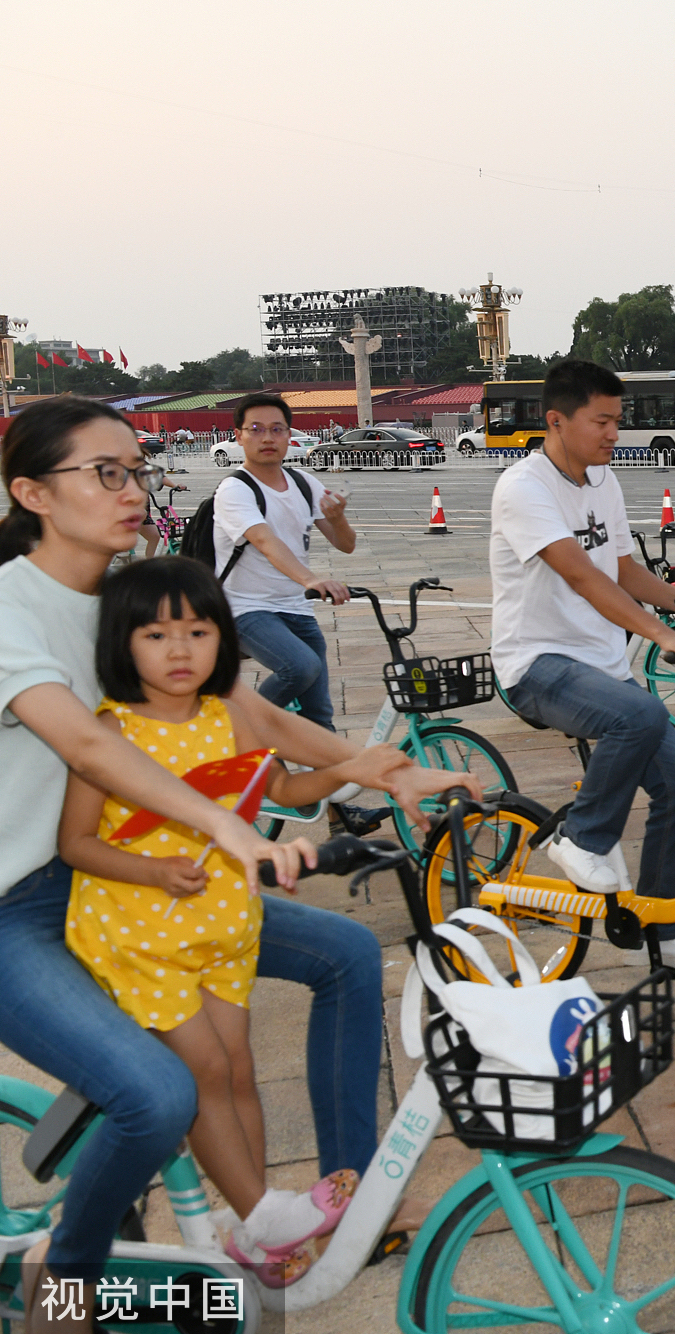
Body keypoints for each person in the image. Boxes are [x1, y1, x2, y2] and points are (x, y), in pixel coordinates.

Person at [0, 397, 459, 1327]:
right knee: (158, 1094)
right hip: (18, 902)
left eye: (139, 470)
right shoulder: (10, 604)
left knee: (343, 958)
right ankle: (65, 1273)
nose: (136, 490)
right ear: (30, 492)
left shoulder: (133, 599)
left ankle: (345, 1201)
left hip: (132, 879)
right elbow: (89, 752)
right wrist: (229, 828)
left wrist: (380, 763)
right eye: (108, 473)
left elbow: (253, 717)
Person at [58, 558, 366, 1287]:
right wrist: (155, 871)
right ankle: (264, 1215)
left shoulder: (226, 717)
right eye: (156, 633)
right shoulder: (106, 731)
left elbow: (282, 785)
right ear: (120, 643)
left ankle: (257, 1222)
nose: (179, 649)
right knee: (200, 1076)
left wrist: (362, 766)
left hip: (224, 926)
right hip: (140, 938)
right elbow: (78, 843)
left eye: (198, 631)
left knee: (238, 1071)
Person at [489, 359, 675, 970]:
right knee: (640, 715)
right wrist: (662, 637)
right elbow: (579, 573)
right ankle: (581, 837)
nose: (613, 434)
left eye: (618, 421)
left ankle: (662, 931)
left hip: (599, 666)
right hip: (536, 663)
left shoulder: (604, 481)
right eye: (601, 421)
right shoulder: (524, 487)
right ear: (557, 421)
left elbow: (621, 568)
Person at [212, 392, 383, 835]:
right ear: (238, 436)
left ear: (290, 436)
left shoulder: (304, 482)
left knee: (320, 715)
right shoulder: (235, 490)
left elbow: (345, 543)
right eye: (256, 429)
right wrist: (309, 579)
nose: (267, 438)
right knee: (300, 665)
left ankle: (338, 817)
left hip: (292, 609)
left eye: (277, 429)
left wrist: (339, 516)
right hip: (242, 608)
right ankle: (237, 733)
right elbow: (265, 541)